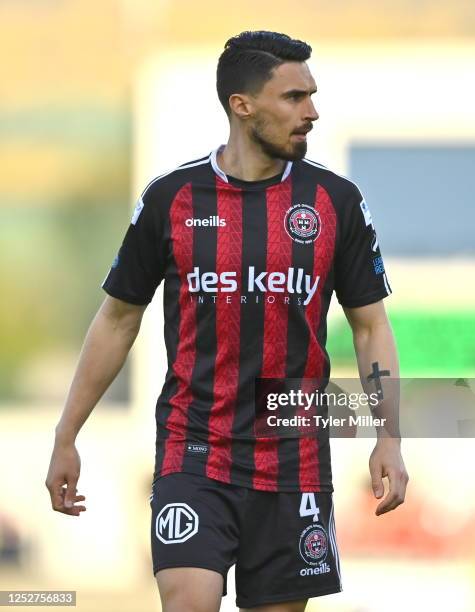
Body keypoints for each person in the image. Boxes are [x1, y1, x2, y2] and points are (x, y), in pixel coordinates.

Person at [45, 30, 409, 612]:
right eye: (294, 97)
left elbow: (370, 326)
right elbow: (117, 320)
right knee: (188, 599)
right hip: (194, 449)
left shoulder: (335, 202)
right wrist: (67, 434)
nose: (312, 112)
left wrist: (388, 435)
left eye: (312, 95)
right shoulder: (173, 199)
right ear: (242, 106)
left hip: (294, 458)